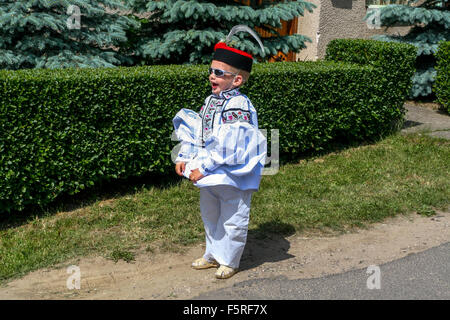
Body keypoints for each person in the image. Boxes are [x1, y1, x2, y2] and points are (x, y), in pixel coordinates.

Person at [172, 37, 267, 279]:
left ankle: (230, 260)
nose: (212, 76)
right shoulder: (210, 101)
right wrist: (184, 155)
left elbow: (231, 145)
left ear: (236, 80)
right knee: (210, 213)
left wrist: (203, 167)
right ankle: (213, 253)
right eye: (211, 71)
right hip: (211, 170)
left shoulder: (239, 104)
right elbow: (198, 131)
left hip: (232, 172)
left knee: (233, 216)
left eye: (219, 73)